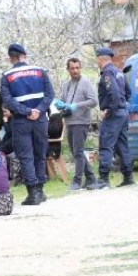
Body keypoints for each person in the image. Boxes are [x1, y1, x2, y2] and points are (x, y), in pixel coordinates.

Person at [0, 43, 54, 205]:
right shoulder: (40, 71)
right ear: (24, 55)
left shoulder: (7, 75)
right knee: (40, 154)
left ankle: (33, 193)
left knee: (26, 156)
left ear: (11, 58)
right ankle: (40, 191)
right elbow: (50, 94)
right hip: (41, 120)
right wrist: (38, 110)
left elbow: (7, 100)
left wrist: (26, 111)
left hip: (21, 121)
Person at [54, 57, 98, 191]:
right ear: (68, 69)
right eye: (72, 68)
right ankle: (91, 178)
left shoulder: (85, 82)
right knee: (75, 152)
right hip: (69, 122)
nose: (75, 71)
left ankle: (77, 181)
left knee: (78, 152)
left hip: (81, 121)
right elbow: (63, 101)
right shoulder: (66, 84)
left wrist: (76, 105)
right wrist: (59, 104)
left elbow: (93, 101)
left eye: (77, 68)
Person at [93, 47, 134, 189]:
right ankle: (128, 177)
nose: (97, 61)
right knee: (122, 145)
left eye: (97, 58)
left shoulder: (107, 73)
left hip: (114, 114)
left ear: (101, 58)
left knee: (105, 144)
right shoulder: (119, 72)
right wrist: (122, 106)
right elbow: (128, 93)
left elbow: (114, 93)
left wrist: (110, 109)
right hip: (122, 113)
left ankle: (103, 179)